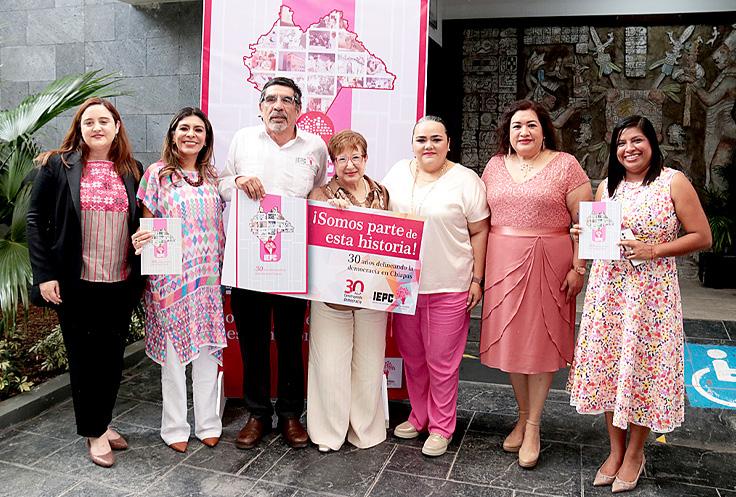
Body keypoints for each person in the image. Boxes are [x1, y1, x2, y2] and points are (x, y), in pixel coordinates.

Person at [568, 115, 711, 493]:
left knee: (644, 369)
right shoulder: (607, 187)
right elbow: (600, 240)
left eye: (636, 141)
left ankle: (635, 453)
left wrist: (654, 249)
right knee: (609, 367)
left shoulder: (673, 181)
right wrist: (584, 234)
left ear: (652, 142)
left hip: (652, 296)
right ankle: (615, 451)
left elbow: (703, 236)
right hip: (608, 292)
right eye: (621, 143)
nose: (628, 149)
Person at [27, 98, 143, 468]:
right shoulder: (58, 166)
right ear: (79, 128)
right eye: (88, 121)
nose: (96, 127)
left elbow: (139, 222)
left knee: (111, 359)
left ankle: (102, 422)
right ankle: (94, 432)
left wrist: (144, 238)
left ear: (117, 126)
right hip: (75, 282)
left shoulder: (132, 169)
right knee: (84, 359)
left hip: (120, 281)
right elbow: (35, 219)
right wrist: (45, 275)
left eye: (103, 121)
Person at [479, 99, 592, 469]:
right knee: (513, 341)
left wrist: (579, 267)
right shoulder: (495, 166)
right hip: (502, 261)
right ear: (507, 133)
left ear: (545, 130)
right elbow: (480, 218)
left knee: (540, 343)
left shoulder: (566, 165)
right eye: (516, 126)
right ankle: (522, 415)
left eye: (531, 125)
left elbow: (585, 221)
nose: (523, 132)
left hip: (550, 262)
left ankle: (533, 427)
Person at [218, 76, 329, 449]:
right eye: (270, 99)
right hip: (248, 259)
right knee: (252, 341)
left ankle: (291, 414)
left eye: (287, 100)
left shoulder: (315, 146)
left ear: (299, 109)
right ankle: (257, 414)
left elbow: (318, 190)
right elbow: (221, 184)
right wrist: (238, 180)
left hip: (293, 260)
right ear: (260, 107)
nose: (278, 106)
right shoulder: (243, 140)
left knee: (290, 338)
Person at [382, 116, 490, 457]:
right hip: (403, 284)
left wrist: (477, 279)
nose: (428, 145)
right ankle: (419, 416)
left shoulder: (465, 180)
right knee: (413, 359)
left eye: (436, 139)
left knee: (442, 363)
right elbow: (377, 213)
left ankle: (442, 426)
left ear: (448, 143)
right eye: (421, 139)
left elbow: (480, 230)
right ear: (412, 144)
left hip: (450, 284)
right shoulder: (397, 173)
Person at [132, 107, 227, 453]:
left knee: (206, 353)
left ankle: (208, 423)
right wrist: (142, 241)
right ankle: (174, 426)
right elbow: (149, 225)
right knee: (173, 358)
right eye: (184, 128)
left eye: (198, 130)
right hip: (170, 278)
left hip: (208, 279)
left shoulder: (213, 176)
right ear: (173, 135)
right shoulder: (157, 174)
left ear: (206, 138)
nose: (191, 135)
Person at [306, 130, 390, 453]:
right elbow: (314, 233)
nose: (350, 164)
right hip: (331, 295)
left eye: (356, 157)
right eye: (342, 158)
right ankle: (329, 432)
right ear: (333, 163)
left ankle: (364, 429)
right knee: (329, 365)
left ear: (365, 159)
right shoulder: (321, 194)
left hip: (373, 293)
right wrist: (332, 214)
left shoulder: (382, 193)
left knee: (369, 365)